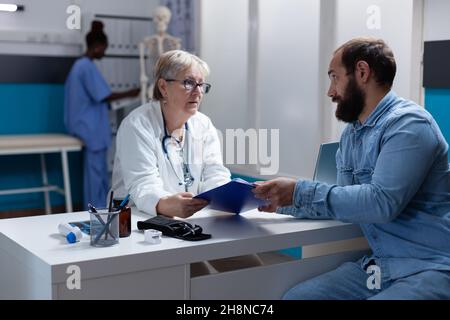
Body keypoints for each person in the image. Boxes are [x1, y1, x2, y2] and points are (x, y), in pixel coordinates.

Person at [253, 37, 450, 299]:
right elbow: (348, 201)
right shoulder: (351, 135)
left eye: (335, 77)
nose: (330, 91)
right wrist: (280, 202)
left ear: (362, 72)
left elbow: (381, 203)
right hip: (381, 267)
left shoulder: (409, 125)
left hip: (428, 268)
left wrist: (299, 191)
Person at [112, 49, 263, 274]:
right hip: (143, 222)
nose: (198, 92)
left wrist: (229, 196)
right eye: (189, 83)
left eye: (202, 85)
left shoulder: (203, 125)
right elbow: (142, 186)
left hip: (190, 218)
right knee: (194, 277)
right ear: (163, 87)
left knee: (251, 271)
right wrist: (165, 204)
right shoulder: (137, 126)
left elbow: (215, 173)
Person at [64, 20, 140, 209]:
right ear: (97, 47)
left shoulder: (79, 66)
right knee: (95, 172)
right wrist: (132, 92)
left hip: (82, 123)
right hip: (90, 127)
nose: (105, 53)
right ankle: (96, 208)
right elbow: (103, 95)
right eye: (104, 48)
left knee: (94, 172)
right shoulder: (86, 67)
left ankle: (97, 206)